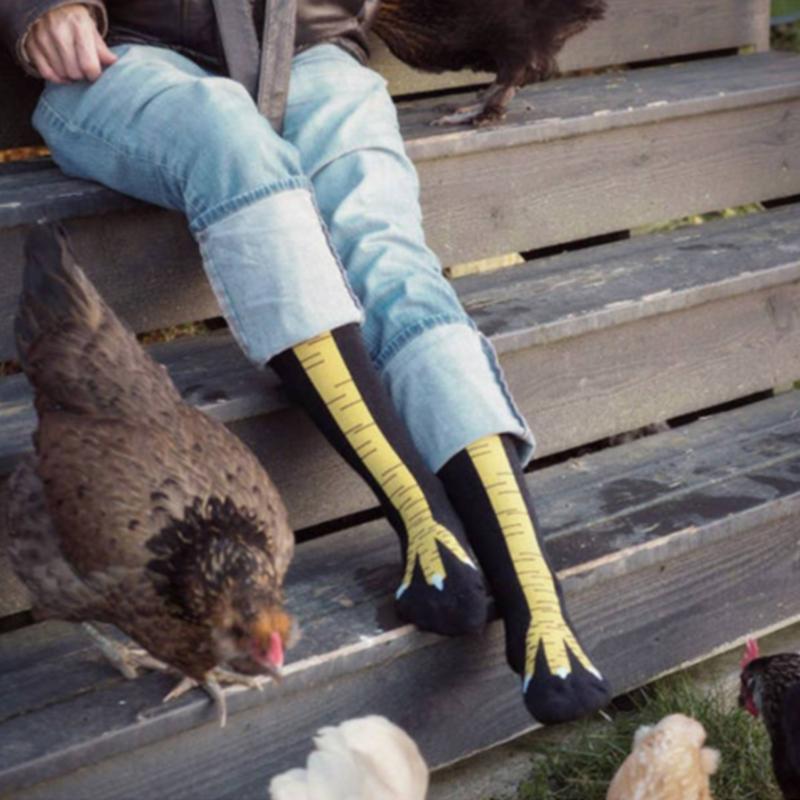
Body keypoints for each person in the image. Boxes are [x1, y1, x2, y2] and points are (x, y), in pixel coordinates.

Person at [0, 0, 611, 724]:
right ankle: (422, 515)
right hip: (119, 58)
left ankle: (536, 600)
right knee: (230, 140)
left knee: (389, 257)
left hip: (310, 48)